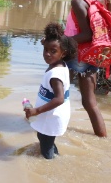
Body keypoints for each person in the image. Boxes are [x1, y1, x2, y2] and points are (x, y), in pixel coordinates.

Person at [64, 0, 108, 137]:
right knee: (90, 102)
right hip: (94, 53)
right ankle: (102, 137)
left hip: (77, 54)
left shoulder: (78, 0)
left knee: (57, 90)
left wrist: (62, 42)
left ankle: (47, 127)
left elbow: (86, 33)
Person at [24, 23, 77, 159]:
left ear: (63, 53)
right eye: (45, 50)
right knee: (44, 137)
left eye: (53, 51)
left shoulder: (55, 75)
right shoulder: (60, 64)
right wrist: (47, 42)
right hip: (52, 114)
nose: (47, 54)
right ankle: (56, 155)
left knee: (45, 145)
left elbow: (59, 98)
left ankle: (50, 163)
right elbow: (50, 45)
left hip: (51, 116)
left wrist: (36, 111)